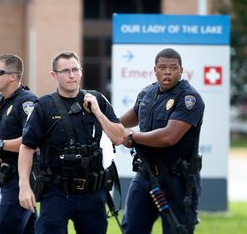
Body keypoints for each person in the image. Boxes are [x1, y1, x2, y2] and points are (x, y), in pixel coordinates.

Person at [18, 51, 124, 234]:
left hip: (92, 192)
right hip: (56, 192)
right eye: (65, 71)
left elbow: (119, 137)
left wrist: (98, 113)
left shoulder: (97, 100)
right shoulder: (43, 106)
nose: (72, 75)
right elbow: (27, 147)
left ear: (81, 72)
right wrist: (24, 186)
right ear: (54, 75)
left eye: (75, 69)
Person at [120, 48, 205, 234]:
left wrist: (132, 138)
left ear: (181, 70)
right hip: (146, 174)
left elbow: (169, 137)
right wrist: (103, 122)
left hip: (177, 179)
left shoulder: (189, 98)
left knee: (177, 230)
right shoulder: (147, 93)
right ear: (155, 69)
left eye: (173, 68)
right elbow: (127, 119)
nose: (167, 71)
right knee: (132, 228)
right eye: (163, 67)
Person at [0, 54, 37, 234]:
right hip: (8, 179)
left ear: (13, 76)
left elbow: (35, 140)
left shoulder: (26, 102)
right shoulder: (4, 101)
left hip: (20, 180)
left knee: (0, 230)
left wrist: (1, 144)